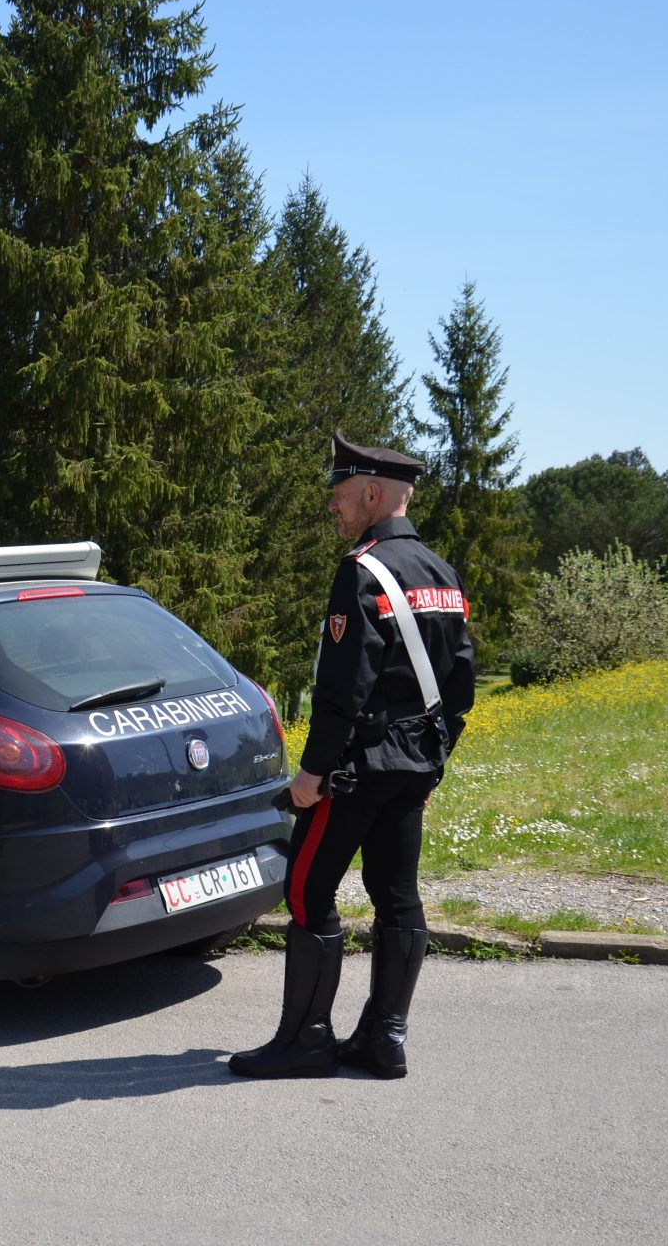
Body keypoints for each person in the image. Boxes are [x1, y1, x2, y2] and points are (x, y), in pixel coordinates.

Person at [229, 432, 474, 1079]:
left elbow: (343, 690)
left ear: (371, 493)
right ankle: (384, 1039)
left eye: (339, 495)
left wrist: (311, 777)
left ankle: (307, 1040)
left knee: (308, 891)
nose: (333, 507)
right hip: (413, 768)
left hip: (355, 769)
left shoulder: (362, 572)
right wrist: (433, 763)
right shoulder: (442, 576)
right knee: (398, 896)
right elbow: (462, 688)